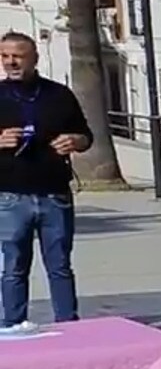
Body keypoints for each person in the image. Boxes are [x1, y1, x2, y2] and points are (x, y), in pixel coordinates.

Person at [0, 32, 92, 329]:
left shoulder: (58, 95)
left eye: (18, 56)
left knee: (60, 266)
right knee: (14, 266)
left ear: (35, 58)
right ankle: (14, 325)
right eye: (4, 56)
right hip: (11, 195)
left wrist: (74, 141)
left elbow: (85, 135)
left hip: (55, 194)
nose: (11, 62)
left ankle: (68, 325)